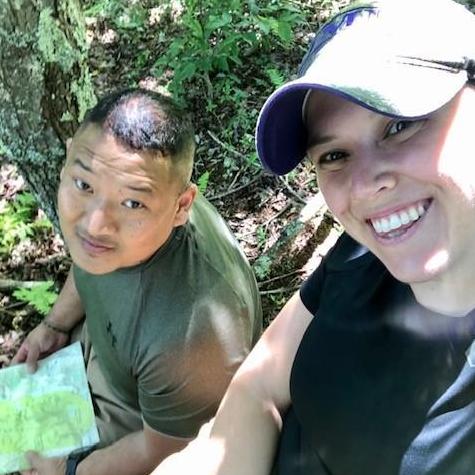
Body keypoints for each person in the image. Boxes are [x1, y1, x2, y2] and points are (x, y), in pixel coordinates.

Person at [150, 0, 475, 474]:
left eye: (401, 126)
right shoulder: (362, 254)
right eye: (335, 155)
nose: (364, 187)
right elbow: (259, 384)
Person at [12, 89, 262, 475]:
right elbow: (87, 266)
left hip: (141, 415)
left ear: (182, 207)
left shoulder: (190, 337)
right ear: (68, 160)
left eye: (132, 203)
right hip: (111, 346)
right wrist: (55, 325)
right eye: (84, 185)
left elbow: (164, 448)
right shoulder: (127, 226)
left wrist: (67, 469)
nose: (95, 224)